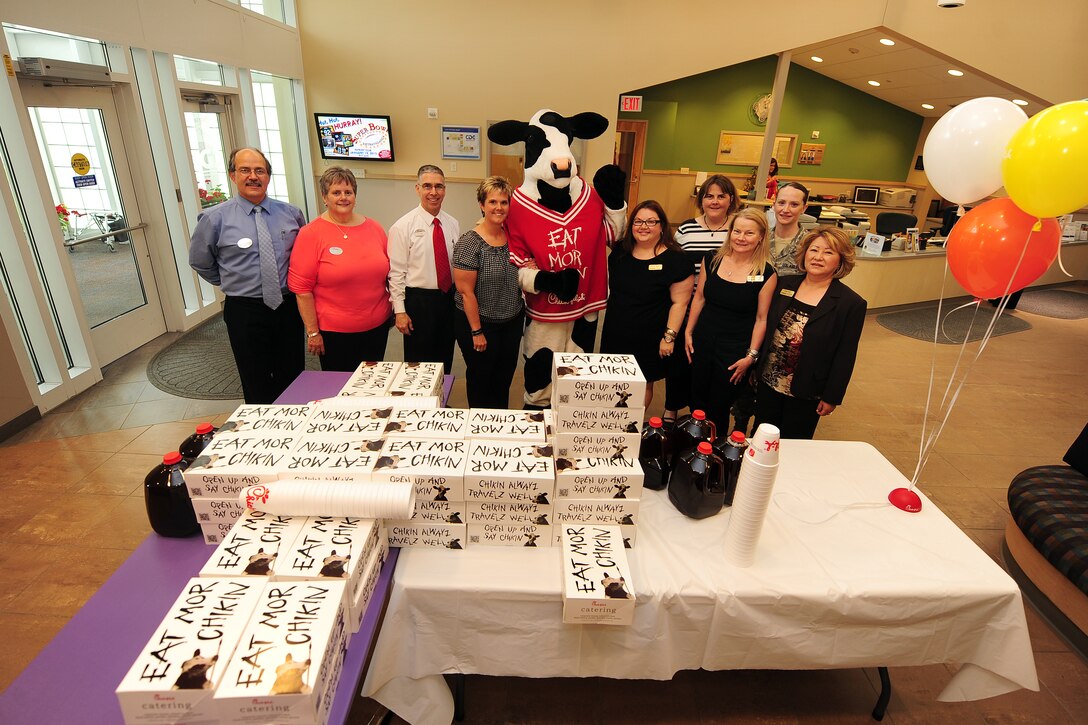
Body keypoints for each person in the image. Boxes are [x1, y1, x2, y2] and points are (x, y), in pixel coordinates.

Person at [189, 147, 306, 404]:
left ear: (268, 176)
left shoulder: (292, 214)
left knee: (294, 376)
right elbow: (200, 262)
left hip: (288, 308)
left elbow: (304, 259)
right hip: (244, 310)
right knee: (255, 379)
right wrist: (233, 281)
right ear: (233, 175)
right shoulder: (213, 219)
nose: (253, 176)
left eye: (259, 170)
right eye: (245, 170)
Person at [755, 226, 867, 439]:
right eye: (814, 250)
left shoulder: (850, 304)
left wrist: (832, 396)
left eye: (828, 252)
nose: (818, 257)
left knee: (794, 444)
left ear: (840, 261)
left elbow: (846, 354)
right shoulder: (784, 284)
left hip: (806, 389)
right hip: (768, 381)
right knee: (761, 438)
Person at [288, 166, 392, 372]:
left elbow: (389, 273)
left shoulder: (375, 228)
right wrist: (312, 332)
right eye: (336, 192)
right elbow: (302, 290)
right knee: (340, 391)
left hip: (377, 327)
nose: (343, 197)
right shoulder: (311, 234)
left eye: (348, 192)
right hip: (334, 333)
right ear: (325, 197)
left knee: (371, 384)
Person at [685, 207, 776, 435]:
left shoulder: (766, 273)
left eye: (749, 233)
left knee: (719, 406)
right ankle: (692, 450)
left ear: (761, 237)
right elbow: (699, 297)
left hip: (734, 350)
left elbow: (761, 318)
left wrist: (751, 357)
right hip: (703, 341)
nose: (741, 238)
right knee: (696, 400)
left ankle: (714, 455)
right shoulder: (712, 259)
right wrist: (688, 332)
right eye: (737, 231)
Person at [600, 201, 693, 409]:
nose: (644, 226)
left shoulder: (676, 260)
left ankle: (630, 424)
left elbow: (680, 303)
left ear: (662, 226)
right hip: (616, 332)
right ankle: (612, 423)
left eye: (651, 221)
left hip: (650, 335)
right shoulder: (619, 254)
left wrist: (669, 337)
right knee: (611, 381)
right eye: (638, 221)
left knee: (642, 383)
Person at [665, 174, 741, 425]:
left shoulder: (738, 229)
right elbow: (674, 261)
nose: (715, 201)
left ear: (731, 199)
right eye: (709, 196)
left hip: (721, 309)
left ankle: (706, 417)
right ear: (702, 200)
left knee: (707, 363)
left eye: (721, 196)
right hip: (686, 303)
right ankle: (673, 410)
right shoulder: (687, 228)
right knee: (679, 361)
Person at [453, 176, 524, 408]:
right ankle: (478, 428)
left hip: (511, 321)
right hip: (480, 323)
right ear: (482, 205)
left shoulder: (513, 237)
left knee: (503, 380)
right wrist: (477, 332)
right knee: (482, 379)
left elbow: (524, 264)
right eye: (492, 202)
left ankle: (499, 426)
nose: (499, 207)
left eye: (504, 202)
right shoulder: (469, 243)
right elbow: (466, 293)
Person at [387, 165, 461, 374]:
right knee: (418, 364)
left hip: (448, 299)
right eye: (427, 186)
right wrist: (400, 311)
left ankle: (441, 403)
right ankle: (421, 404)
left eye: (439, 187)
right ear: (417, 188)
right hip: (418, 302)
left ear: (445, 190)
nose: (433, 192)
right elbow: (396, 274)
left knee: (445, 357)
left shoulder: (452, 223)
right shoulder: (403, 227)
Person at [769, 181, 810, 275]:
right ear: (773, 205)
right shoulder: (760, 238)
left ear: (804, 208)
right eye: (781, 203)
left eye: (794, 205)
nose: (786, 210)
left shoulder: (809, 243)